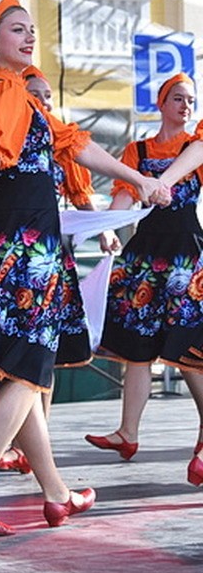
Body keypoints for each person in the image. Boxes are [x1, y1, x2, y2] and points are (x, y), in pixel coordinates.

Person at [0, 0, 170, 536]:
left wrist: (138, 182)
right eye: (15, 30)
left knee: (28, 374)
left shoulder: (26, 98)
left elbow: (79, 148)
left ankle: (55, 492)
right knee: (26, 373)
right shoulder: (4, 88)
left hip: (27, 248)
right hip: (21, 253)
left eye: (30, 30)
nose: (27, 38)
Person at [0, 66, 120, 475]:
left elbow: (82, 196)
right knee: (17, 355)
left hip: (52, 251)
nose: (43, 101)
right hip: (14, 251)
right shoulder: (5, 128)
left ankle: (36, 442)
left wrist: (104, 232)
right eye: (35, 93)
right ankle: (23, 445)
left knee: (39, 357)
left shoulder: (59, 143)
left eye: (47, 95)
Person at [83, 73, 203, 485]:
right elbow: (125, 192)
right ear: (161, 103)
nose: (186, 106)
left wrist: (161, 183)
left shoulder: (195, 145)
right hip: (144, 254)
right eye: (178, 98)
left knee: (185, 347)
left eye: (190, 100)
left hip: (185, 257)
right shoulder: (137, 149)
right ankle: (127, 433)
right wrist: (112, 226)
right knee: (138, 347)